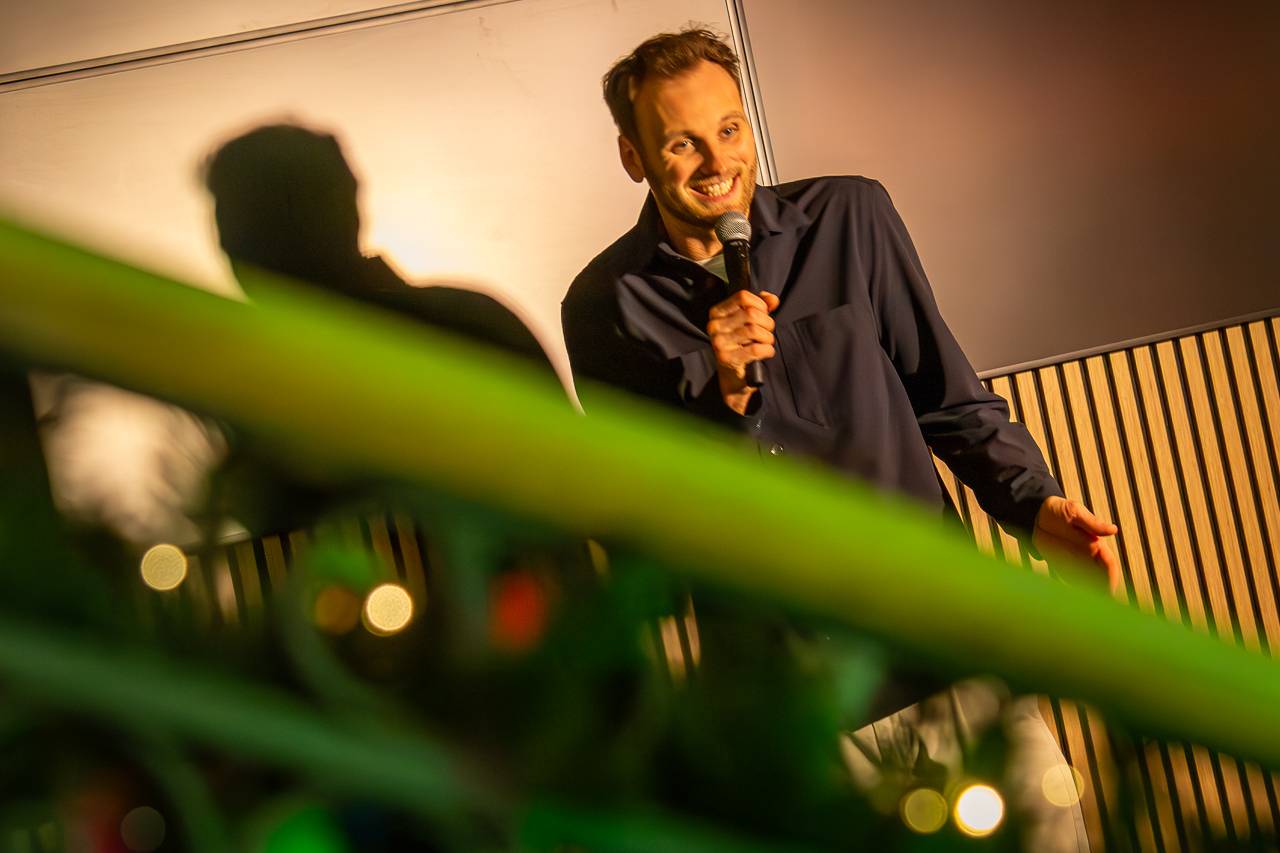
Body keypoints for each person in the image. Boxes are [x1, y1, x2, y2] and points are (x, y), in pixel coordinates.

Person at [561, 28, 1119, 852]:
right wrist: (722, 400)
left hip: (944, 653)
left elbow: (949, 398)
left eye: (728, 129)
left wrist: (1036, 507)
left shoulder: (850, 218)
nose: (717, 161)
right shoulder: (604, 306)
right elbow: (638, 523)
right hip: (789, 716)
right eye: (682, 143)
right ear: (633, 157)